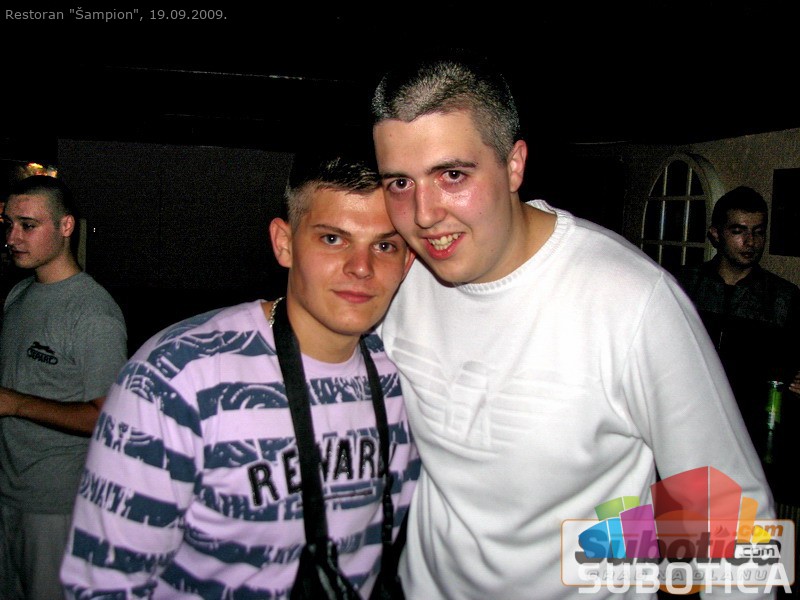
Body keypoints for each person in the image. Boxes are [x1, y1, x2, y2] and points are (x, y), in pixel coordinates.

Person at [369, 48, 777, 599]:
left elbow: (732, 522)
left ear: (514, 165)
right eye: (400, 183)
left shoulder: (631, 300)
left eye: (452, 174)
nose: (423, 214)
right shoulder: (401, 278)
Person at [60, 141, 420, 598]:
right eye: (333, 239)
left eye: (385, 245)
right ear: (284, 243)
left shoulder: (403, 378)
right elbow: (103, 586)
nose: (361, 267)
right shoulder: (177, 377)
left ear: (408, 261)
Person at [0, 175, 128, 600]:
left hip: (56, 505)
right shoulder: (18, 295)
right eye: (8, 224)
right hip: (9, 492)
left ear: (66, 226)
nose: (13, 238)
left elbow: (107, 418)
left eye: (28, 225)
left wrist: (14, 404)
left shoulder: (93, 314)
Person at [676, 187, 800, 487]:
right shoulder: (683, 286)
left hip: (752, 442)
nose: (750, 242)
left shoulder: (784, 298)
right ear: (716, 234)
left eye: (758, 232)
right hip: (685, 432)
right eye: (738, 231)